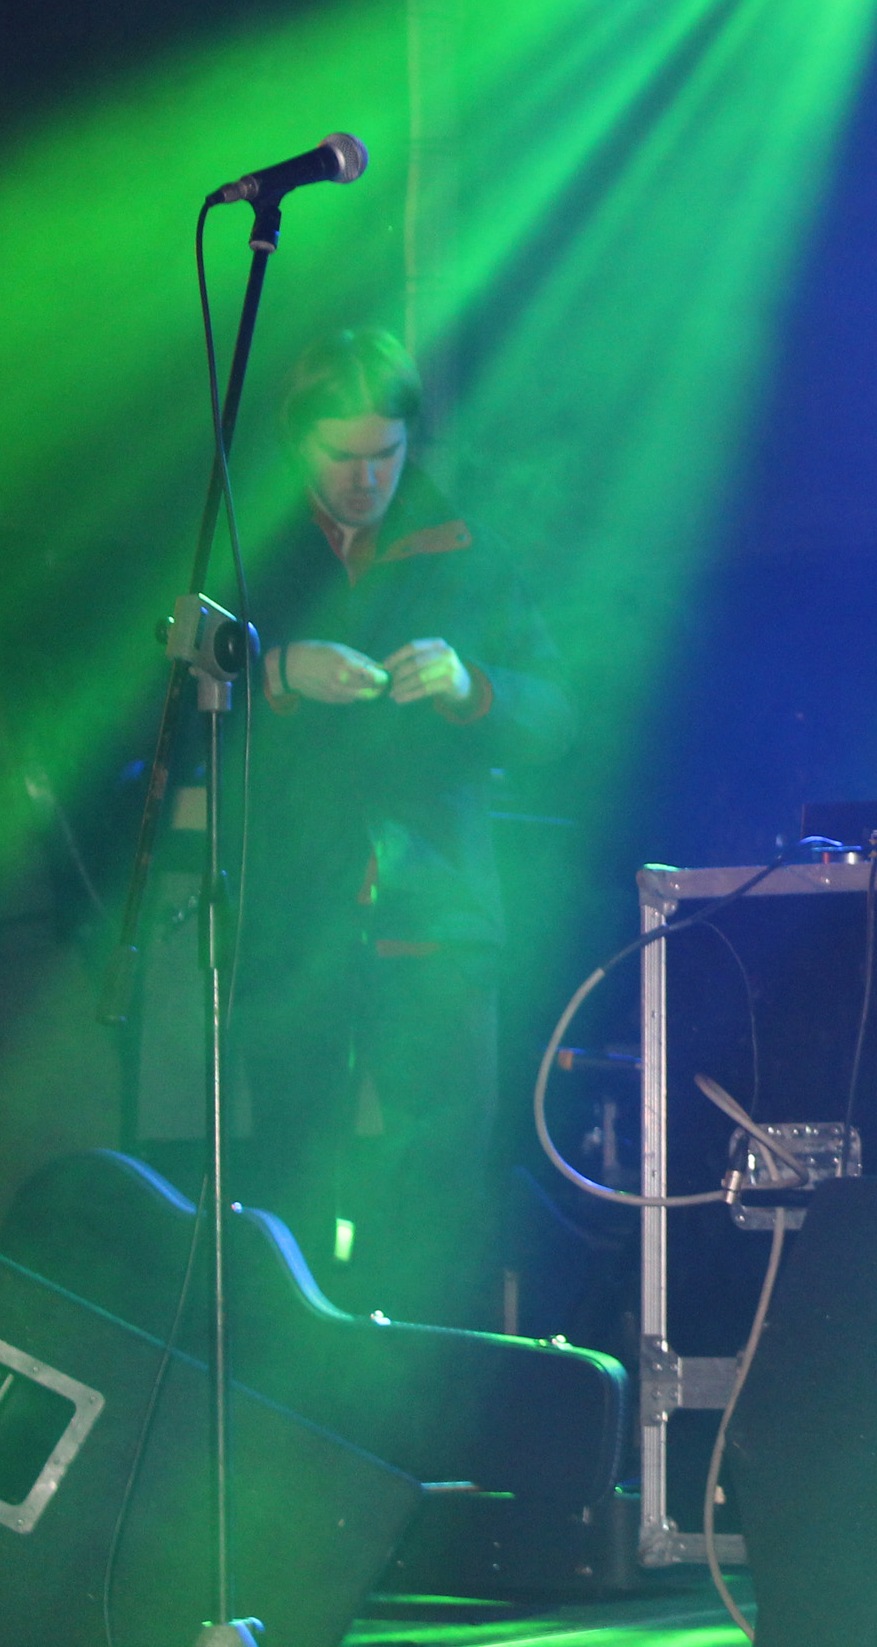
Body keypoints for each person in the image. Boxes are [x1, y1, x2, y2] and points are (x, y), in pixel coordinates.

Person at [237, 327, 571, 1327]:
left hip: (440, 922)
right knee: (288, 1174)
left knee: (438, 1186)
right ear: (298, 444)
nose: (366, 477)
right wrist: (276, 672)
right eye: (342, 455)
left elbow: (557, 715)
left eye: (384, 452)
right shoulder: (249, 551)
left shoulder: (466, 545)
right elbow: (152, 715)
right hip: (295, 920)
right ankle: (283, 1385)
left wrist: (472, 686)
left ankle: (426, 1393)